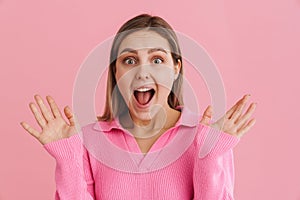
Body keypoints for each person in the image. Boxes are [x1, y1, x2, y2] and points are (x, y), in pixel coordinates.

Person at [20, 14, 256, 200]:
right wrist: (68, 158)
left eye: (157, 60)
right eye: (129, 61)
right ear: (116, 71)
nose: (142, 72)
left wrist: (209, 157)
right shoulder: (88, 140)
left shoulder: (207, 137)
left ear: (176, 68)